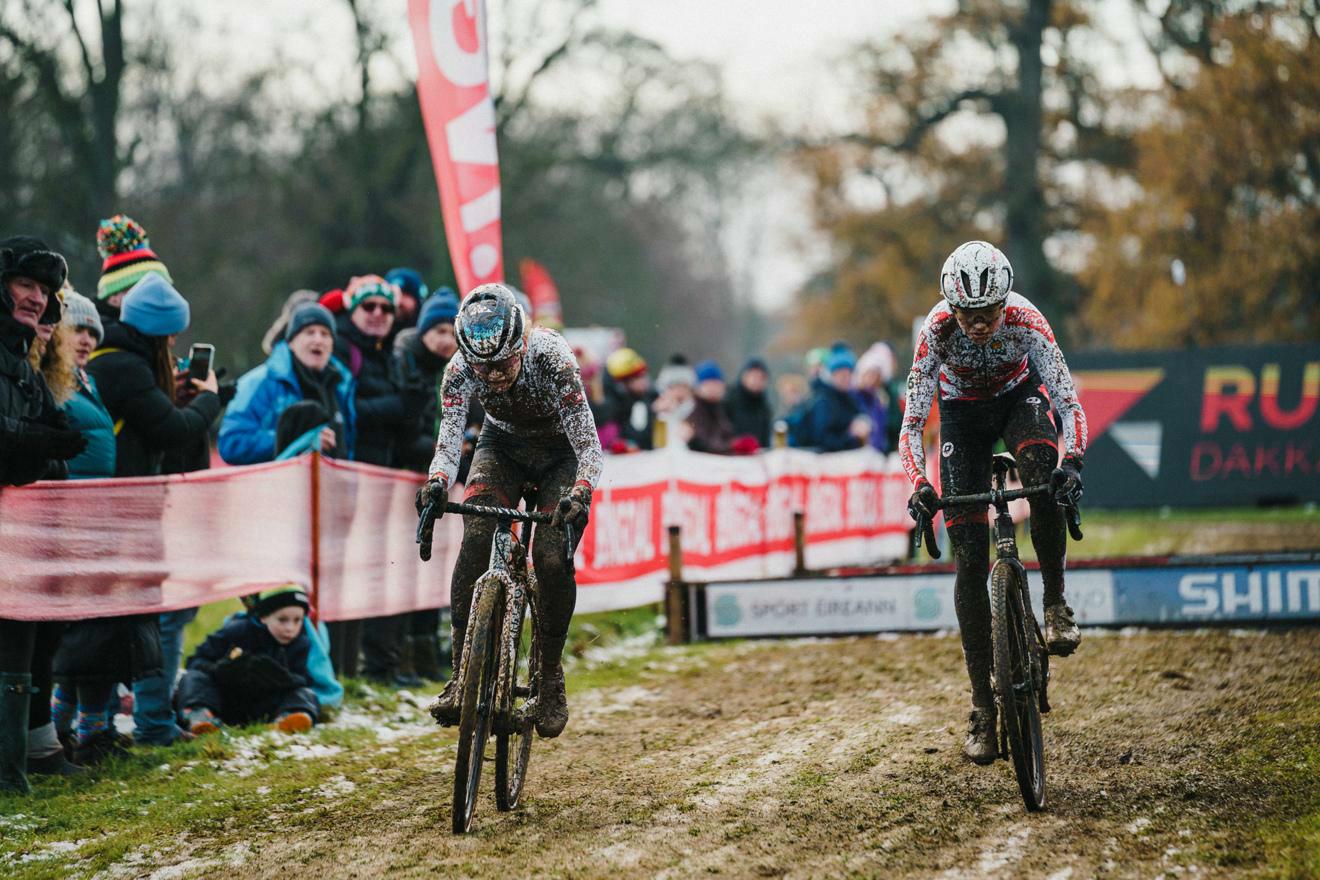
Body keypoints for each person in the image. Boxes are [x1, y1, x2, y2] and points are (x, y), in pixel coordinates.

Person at [900, 240, 1087, 765]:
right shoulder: (934, 332)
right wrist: (918, 484)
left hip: (1017, 401)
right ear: (950, 307)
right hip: (961, 416)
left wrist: (1072, 462)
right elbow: (913, 423)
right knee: (969, 561)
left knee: (1042, 473)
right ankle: (983, 704)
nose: (979, 325)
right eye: (968, 315)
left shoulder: (1028, 320)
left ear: (1004, 304)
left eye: (988, 314)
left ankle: (1054, 604)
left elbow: (1068, 401)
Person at [415, 283, 602, 739]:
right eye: (483, 367)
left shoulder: (552, 358)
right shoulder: (459, 370)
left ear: (521, 343)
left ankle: (550, 673)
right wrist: (438, 481)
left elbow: (590, 449)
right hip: (502, 446)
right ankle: (462, 670)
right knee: (476, 537)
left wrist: (578, 492)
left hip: (562, 453)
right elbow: (448, 443)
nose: (493, 376)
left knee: (552, 558)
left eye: (501, 364)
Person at [81, 273, 221, 748]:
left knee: (122, 620)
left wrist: (177, 399)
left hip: (125, 512)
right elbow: (175, 432)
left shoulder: (122, 361)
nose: (176, 342)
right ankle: (138, 723)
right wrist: (208, 399)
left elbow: (162, 426)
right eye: (172, 334)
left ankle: (101, 726)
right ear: (159, 332)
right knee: (134, 620)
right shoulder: (125, 366)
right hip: (119, 516)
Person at [0, 237, 88, 793]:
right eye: (26, 285)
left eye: (45, 291)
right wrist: (40, 442)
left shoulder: (23, 358)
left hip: (20, 532)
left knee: (22, 638)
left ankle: (14, 769)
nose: (37, 299)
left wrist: (52, 443)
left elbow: (45, 433)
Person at [333, 274, 412, 681]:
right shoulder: (344, 348)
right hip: (350, 473)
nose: (379, 314)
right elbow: (349, 410)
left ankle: (382, 665)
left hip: (385, 471)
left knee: (384, 565)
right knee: (353, 568)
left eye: (386, 308)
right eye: (369, 307)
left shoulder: (386, 350)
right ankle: (351, 667)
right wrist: (397, 406)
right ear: (353, 309)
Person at [392, 289, 462, 683]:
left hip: (438, 479)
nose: (444, 339)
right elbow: (409, 431)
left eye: (450, 331)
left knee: (433, 570)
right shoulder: (409, 363)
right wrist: (446, 454)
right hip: (408, 479)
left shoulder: (455, 368)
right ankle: (402, 655)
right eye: (436, 330)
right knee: (406, 567)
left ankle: (425, 651)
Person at [176, 587, 328, 735]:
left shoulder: (301, 643)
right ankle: (201, 717)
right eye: (282, 620)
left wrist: (283, 678)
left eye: (298, 621)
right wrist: (220, 669)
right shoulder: (236, 630)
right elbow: (194, 661)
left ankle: (289, 718)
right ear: (263, 617)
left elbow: (303, 679)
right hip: (226, 701)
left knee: (306, 694)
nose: (290, 628)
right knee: (192, 678)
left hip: (265, 706)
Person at [219, 302, 357, 464]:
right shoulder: (260, 382)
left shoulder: (342, 386)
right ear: (291, 342)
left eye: (325, 334)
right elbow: (232, 444)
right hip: (270, 486)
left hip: (328, 486)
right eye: (309, 332)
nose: (318, 340)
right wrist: (296, 439)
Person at [802, 349, 870, 452]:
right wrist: (850, 435)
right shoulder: (823, 401)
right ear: (832, 375)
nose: (847, 378)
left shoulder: (849, 399)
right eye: (842, 375)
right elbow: (822, 440)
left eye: (849, 374)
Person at [602, 347, 655, 453]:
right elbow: (640, 439)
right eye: (637, 378)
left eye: (643, 376)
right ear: (623, 384)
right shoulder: (612, 408)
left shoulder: (649, 398)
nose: (643, 381)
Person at [686, 360, 736, 455]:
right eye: (708, 384)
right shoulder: (692, 409)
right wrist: (732, 446)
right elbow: (703, 443)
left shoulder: (721, 409)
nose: (713, 388)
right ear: (698, 386)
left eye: (716, 384)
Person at [852, 343, 895, 453]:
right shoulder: (852, 397)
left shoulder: (879, 400)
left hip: (877, 453)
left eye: (876, 376)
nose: (872, 379)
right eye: (870, 374)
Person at [725, 357, 773, 449]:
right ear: (744, 376)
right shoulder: (729, 399)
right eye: (754, 376)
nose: (757, 381)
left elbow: (765, 438)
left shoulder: (764, 406)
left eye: (761, 378)